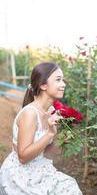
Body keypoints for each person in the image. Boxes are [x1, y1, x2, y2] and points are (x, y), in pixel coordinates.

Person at [0, 62, 83, 195]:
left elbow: (47, 151)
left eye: (63, 80)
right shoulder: (30, 113)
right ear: (43, 85)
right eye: (58, 80)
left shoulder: (50, 111)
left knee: (70, 187)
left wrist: (61, 141)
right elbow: (23, 157)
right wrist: (49, 134)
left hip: (38, 168)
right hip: (21, 175)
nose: (63, 84)